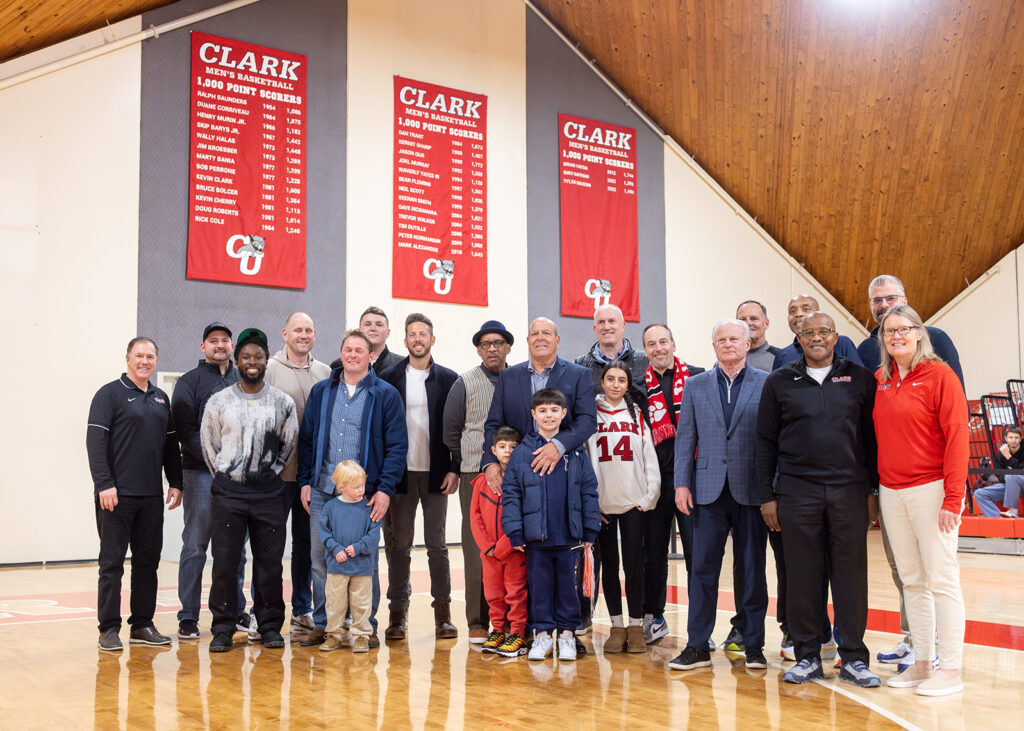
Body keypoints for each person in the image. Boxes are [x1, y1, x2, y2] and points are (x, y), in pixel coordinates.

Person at [756, 312, 881, 687]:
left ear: (835, 337)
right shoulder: (779, 381)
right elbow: (765, 442)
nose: (816, 338)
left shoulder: (860, 379)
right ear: (798, 338)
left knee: (851, 577)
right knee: (802, 576)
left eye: (824, 331)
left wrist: (873, 491)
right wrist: (766, 496)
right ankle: (807, 656)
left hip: (849, 491)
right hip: (798, 492)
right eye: (808, 332)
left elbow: (872, 439)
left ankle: (854, 657)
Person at [857, 274, 965, 667]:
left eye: (904, 328)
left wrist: (953, 497)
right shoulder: (879, 378)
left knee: (941, 578)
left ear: (919, 332)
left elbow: (957, 435)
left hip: (931, 489)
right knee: (910, 578)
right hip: (891, 491)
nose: (896, 335)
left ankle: (947, 666)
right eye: (889, 331)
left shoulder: (940, 372)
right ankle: (920, 657)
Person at [481, 316, 597, 646]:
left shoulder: (578, 375)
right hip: (523, 478)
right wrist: (491, 462)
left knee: (565, 562)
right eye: (535, 333)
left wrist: (558, 446)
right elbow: (494, 424)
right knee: (529, 563)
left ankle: (569, 631)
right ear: (527, 340)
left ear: (558, 340)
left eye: (547, 333)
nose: (541, 338)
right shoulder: (510, 377)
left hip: (563, 475)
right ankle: (533, 631)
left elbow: (587, 421)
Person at [667, 320, 769, 672]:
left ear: (747, 343)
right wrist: (682, 483)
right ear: (713, 346)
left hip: (750, 489)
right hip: (707, 491)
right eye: (721, 339)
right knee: (702, 570)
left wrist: (771, 488)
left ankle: (753, 645)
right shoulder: (695, 385)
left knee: (752, 570)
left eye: (734, 339)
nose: (728, 344)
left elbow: (771, 439)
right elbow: (685, 438)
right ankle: (696, 645)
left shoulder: (766, 383)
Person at [297, 329, 408, 647]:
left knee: (364, 561)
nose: (353, 355)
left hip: (365, 495)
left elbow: (397, 446)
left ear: (371, 356)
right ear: (341, 353)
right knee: (321, 558)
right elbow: (307, 440)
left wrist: (384, 489)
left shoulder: (385, 394)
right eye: (348, 349)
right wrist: (305, 481)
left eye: (360, 350)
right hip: (323, 490)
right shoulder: (322, 391)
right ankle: (325, 624)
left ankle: (365, 627)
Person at [201, 328, 298, 652]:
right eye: (245, 356)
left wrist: (268, 474)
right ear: (237, 361)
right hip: (229, 494)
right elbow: (210, 446)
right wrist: (228, 476)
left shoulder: (282, 403)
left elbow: (288, 444)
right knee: (225, 563)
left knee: (270, 564)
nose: (252, 361)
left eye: (258, 356)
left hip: (269, 494)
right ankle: (223, 627)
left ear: (266, 361)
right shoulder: (220, 402)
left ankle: (269, 625)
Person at [87, 337, 183, 651]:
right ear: (128, 358)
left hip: (151, 497)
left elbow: (170, 446)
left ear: (156, 360)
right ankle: (108, 629)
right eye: (139, 355)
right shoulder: (109, 394)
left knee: (147, 563)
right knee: (112, 564)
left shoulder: (161, 398)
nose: (144, 361)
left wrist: (176, 481)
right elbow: (95, 443)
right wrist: (104, 484)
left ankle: (142, 625)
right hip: (115, 496)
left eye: (150, 356)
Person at [501, 389, 601, 663]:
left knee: (569, 590)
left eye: (554, 410)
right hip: (536, 539)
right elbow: (511, 493)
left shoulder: (575, 451)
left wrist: (590, 528)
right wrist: (515, 531)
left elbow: (588, 490)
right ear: (533, 414)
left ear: (563, 414)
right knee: (540, 589)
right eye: (543, 411)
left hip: (569, 537)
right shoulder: (522, 453)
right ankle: (543, 635)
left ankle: (567, 635)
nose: (549, 415)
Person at [380, 314, 460, 641]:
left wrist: (455, 467)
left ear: (432, 340)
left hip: (436, 474)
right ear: (405, 341)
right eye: (412, 334)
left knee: (437, 546)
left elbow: (456, 428)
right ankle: (397, 615)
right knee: (399, 547)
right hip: (399, 475)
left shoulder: (449, 379)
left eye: (422, 334)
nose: (417, 339)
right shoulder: (388, 378)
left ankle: (444, 615)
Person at [171, 323, 249, 641]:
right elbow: (185, 431)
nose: (220, 345)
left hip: (238, 477)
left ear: (232, 346)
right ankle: (189, 616)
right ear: (203, 346)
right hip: (200, 473)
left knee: (235, 549)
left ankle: (236, 610)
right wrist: (216, 460)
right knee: (195, 545)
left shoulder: (243, 379)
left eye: (225, 340)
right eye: (213, 341)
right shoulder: (189, 382)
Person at [442, 319, 514, 644]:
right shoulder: (465, 382)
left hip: (514, 473)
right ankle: (478, 620)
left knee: (513, 546)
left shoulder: (518, 378)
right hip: (476, 472)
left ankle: (513, 620)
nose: (492, 348)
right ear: (479, 350)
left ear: (508, 347)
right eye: (486, 344)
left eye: (498, 343)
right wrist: (470, 461)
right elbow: (450, 431)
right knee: (478, 548)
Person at [264, 312, 331, 635]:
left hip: (311, 478)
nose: (303, 335)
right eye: (297, 330)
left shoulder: (325, 372)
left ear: (314, 334)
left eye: (308, 330)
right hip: (276, 476)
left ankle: (302, 610)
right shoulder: (270, 370)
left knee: (306, 547)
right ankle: (265, 612)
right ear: (285, 333)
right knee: (270, 547)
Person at [587, 362, 660, 653]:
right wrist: (589, 501)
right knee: (609, 566)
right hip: (602, 503)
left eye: (621, 380)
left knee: (633, 565)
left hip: (633, 502)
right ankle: (616, 626)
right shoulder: (591, 413)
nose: (615, 384)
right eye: (610, 379)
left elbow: (649, 454)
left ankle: (635, 625)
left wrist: (650, 494)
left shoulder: (636, 413)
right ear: (602, 382)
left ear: (628, 385)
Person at [639, 323, 704, 645]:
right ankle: (654, 616)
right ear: (645, 350)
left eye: (663, 341)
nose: (658, 348)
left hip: (692, 479)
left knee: (696, 553)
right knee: (653, 552)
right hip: (656, 480)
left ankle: (700, 624)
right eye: (651, 344)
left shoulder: (699, 377)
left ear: (674, 344)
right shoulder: (637, 387)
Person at [470, 426, 529, 657]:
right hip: (489, 555)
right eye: (502, 447)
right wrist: (488, 548)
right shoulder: (481, 482)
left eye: (513, 447)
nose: (508, 451)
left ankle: (517, 633)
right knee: (493, 595)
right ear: (493, 450)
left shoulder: (523, 480)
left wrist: (502, 547)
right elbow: (474, 516)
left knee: (516, 594)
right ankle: (498, 631)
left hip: (513, 552)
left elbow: (523, 517)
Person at [317, 460, 382, 653]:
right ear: (341, 487)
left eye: (362, 485)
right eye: (356, 487)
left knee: (362, 603)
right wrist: (336, 548)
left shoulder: (369, 508)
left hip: (362, 567)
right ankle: (333, 636)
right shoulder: (330, 507)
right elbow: (324, 532)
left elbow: (374, 535)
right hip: (337, 566)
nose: (361, 490)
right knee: (335, 603)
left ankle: (361, 636)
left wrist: (359, 547)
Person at [856, 275, 965, 387]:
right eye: (877, 300)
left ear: (904, 302)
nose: (884, 304)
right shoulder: (865, 349)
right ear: (871, 305)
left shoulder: (936, 338)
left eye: (891, 298)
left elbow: (955, 391)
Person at [772, 294, 864, 370]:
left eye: (806, 309)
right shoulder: (782, 356)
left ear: (819, 314)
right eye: (792, 311)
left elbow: (860, 380)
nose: (798, 314)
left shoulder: (842, 344)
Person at [574, 303, 649, 394]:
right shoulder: (579, 365)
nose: (606, 327)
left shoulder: (646, 360)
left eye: (612, 321)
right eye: (601, 322)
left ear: (623, 325)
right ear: (595, 328)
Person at [330, 306, 406, 373]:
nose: (373, 328)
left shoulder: (403, 365)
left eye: (379, 325)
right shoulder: (339, 366)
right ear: (359, 331)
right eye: (367, 324)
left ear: (388, 333)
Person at [973, 426, 1024, 518]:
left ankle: (1013, 511)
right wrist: (1011, 481)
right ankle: (997, 519)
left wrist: (1009, 457)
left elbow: (1021, 471)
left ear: (1020, 439)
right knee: (979, 494)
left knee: (1011, 476)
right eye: (1010, 437)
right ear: (1006, 439)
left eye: (1016, 438)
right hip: (1010, 487)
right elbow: (999, 474)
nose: (1013, 440)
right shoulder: (1001, 453)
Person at [736, 300, 780, 372]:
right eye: (743, 319)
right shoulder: (729, 358)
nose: (748, 323)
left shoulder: (780, 357)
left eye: (754, 319)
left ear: (766, 323)